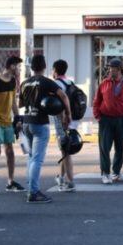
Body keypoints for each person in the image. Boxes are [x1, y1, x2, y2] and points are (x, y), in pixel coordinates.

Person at [19, 54, 72, 203]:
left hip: (27, 122)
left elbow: (21, 104)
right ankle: (34, 193)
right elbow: (64, 96)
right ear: (44, 67)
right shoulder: (46, 82)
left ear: (32, 67)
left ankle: (30, 188)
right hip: (40, 122)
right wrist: (68, 114)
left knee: (31, 157)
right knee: (37, 159)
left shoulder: (24, 83)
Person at [93, 58, 123, 184]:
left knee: (120, 148)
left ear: (118, 69)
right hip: (106, 120)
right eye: (109, 68)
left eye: (112, 68)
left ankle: (116, 173)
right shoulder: (104, 83)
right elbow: (97, 101)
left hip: (122, 120)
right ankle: (105, 173)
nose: (110, 70)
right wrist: (98, 116)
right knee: (104, 147)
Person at [0, 55, 24, 194]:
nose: (19, 69)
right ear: (12, 66)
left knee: (10, 152)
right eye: (18, 66)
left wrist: (18, 118)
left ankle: (10, 182)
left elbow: (13, 102)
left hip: (7, 122)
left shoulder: (13, 81)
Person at [52, 59, 78, 192]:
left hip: (62, 120)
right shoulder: (69, 82)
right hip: (72, 120)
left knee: (66, 150)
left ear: (55, 70)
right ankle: (61, 177)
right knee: (65, 148)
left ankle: (70, 181)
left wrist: (64, 117)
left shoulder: (56, 84)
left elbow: (59, 103)